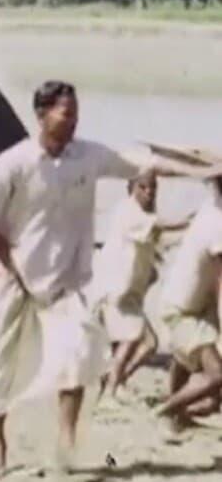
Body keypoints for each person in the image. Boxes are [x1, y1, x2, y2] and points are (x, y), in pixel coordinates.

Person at [0, 80, 210, 474]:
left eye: (76, 114)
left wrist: (203, 168)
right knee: (1, 362)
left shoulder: (89, 156)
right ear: (42, 114)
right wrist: (12, 264)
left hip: (68, 281)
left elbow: (145, 164)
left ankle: (66, 442)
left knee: (78, 354)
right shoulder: (14, 162)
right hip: (13, 278)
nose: (73, 122)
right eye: (66, 114)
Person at [91, 169, 192, 400]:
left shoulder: (144, 216)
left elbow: (160, 240)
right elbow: (161, 228)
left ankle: (115, 379)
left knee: (148, 342)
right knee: (132, 339)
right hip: (115, 291)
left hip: (130, 294)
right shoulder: (128, 212)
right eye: (143, 187)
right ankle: (110, 391)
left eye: (153, 187)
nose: (149, 192)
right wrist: (189, 222)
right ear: (131, 188)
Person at [156, 173, 222, 431]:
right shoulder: (218, 225)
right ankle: (165, 411)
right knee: (216, 374)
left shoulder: (210, 208)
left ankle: (176, 417)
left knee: (184, 359)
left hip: (189, 304)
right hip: (182, 311)